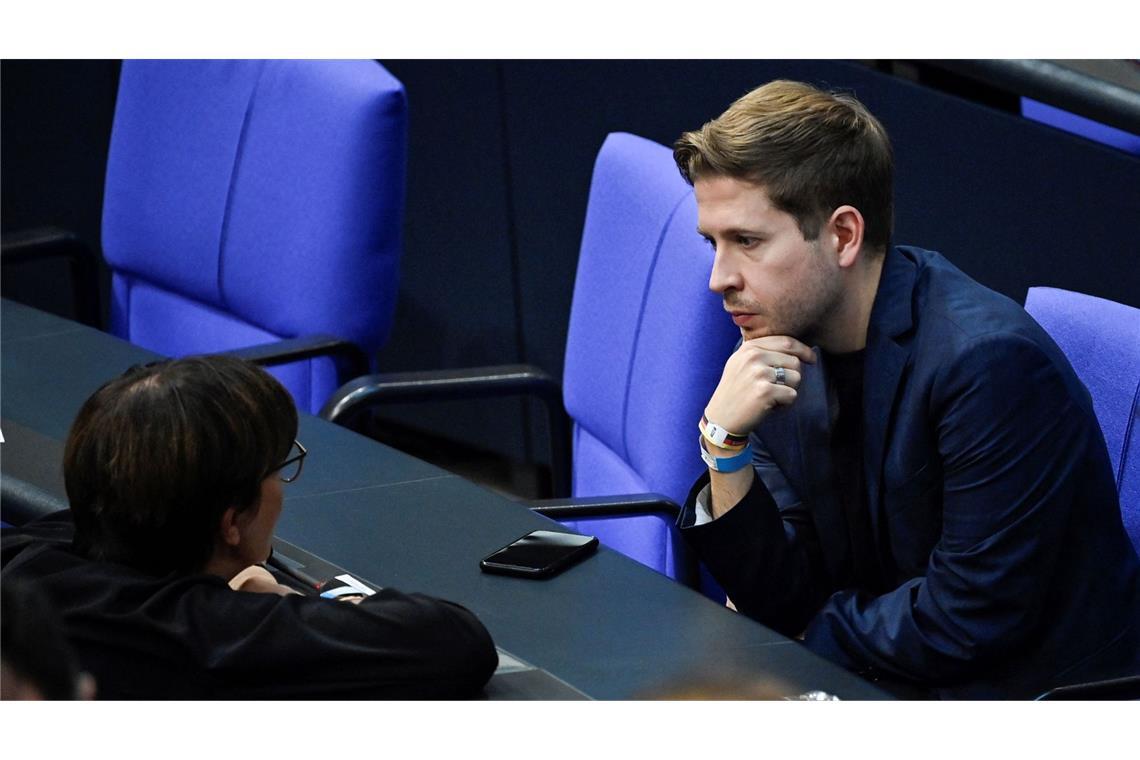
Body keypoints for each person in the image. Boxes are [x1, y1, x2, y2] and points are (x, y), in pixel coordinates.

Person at [672, 80, 1140, 698]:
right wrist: (725, 445)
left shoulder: (987, 366)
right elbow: (779, 588)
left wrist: (797, 629)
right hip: (887, 676)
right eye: (714, 243)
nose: (718, 279)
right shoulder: (780, 346)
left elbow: (962, 622)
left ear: (842, 235)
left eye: (747, 242)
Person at [0, 356, 498, 698]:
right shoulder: (205, 633)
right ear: (232, 522)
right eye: (278, 469)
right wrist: (294, 602)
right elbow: (455, 641)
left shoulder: (36, 558)